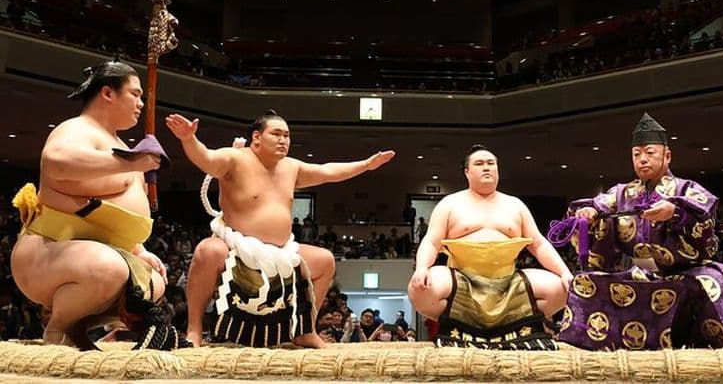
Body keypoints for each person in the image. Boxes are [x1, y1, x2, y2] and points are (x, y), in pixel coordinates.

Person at [165, 110, 394, 348]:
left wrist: (366, 165)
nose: (283, 140)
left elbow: (328, 172)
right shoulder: (234, 159)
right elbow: (206, 159)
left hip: (281, 252)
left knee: (325, 261)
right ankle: (194, 329)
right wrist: (188, 139)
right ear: (256, 137)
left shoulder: (291, 167)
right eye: (276, 134)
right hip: (235, 248)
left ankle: (305, 330)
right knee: (206, 250)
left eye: (287, 135)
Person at [554, 113, 723, 350]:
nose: (642, 159)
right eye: (636, 155)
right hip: (641, 272)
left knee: (715, 282)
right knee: (585, 282)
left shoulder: (685, 188)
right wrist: (588, 213)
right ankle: (581, 348)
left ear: (667, 156)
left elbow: (704, 219)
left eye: (650, 153)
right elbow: (597, 204)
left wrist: (676, 212)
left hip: (688, 271)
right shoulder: (622, 193)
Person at [10, 61, 184, 350]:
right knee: (109, 268)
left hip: (94, 251)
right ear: (107, 93)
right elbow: (57, 163)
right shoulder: (77, 129)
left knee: (152, 281)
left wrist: (140, 249)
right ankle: (59, 329)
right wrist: (129, 162)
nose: (141, 104)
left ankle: (78, 327)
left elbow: (116, 216)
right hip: (49, 249)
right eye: (135, 94)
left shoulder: (120, 144)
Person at [408, 144, 572, 349]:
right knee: (422, 289)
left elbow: (538, 244)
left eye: (491, 163)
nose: (486, 167)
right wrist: (422, 268)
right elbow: (432, 241)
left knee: (559, 288)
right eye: (479, 163)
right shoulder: (450, 203)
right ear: (467, 172)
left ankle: (509, 325)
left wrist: (565, 272)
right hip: (461, 283)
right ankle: (467, 323)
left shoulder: (515, 205)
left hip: (508, 283)